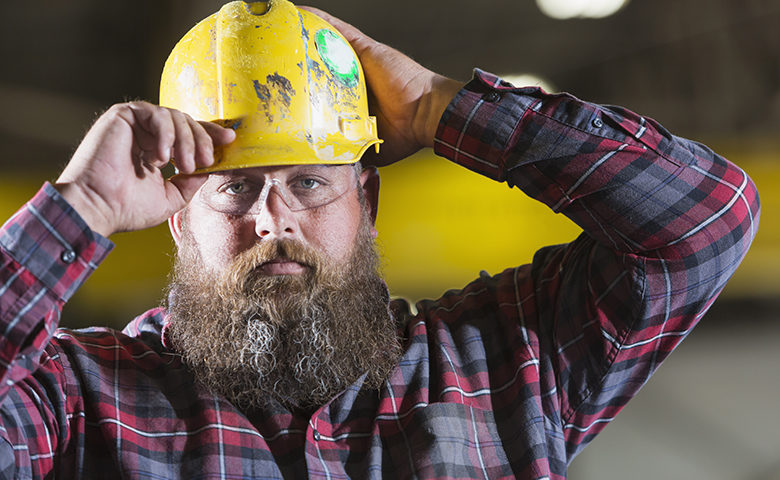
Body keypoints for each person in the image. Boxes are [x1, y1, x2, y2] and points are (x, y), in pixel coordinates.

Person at [0, 0, 759, 478]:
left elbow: (705, 223)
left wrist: (439, 108)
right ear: (175, 215)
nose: (273, 221)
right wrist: (82, 206)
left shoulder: (507, 366)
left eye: (309, 182)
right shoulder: (77, 402)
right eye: (234, 187)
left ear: (367, 197)